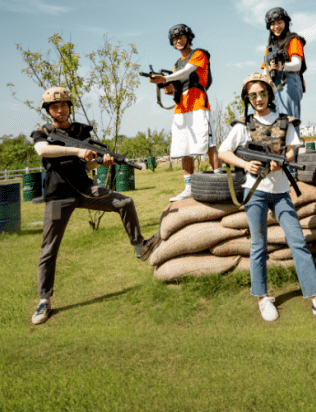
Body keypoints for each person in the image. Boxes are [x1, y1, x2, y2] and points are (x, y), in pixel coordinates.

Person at [217, 73, 316, 322]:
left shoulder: (284, 121)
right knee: (259, 245)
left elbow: (292, 149)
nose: (259, 98)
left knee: (297, 241)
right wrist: (245, 165)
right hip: (255, 190)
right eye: (253, 95)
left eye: (263, 93)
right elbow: (223, 152)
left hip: (280, 191)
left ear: (270, 93)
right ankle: (262, 297)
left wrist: (284, 162)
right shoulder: (242, 124)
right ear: (247, 98)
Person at [30, 87, 151, 325]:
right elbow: (42, 150)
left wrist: (99, 161)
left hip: (84, 190)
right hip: (57, 196)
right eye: (54, 107)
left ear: (69, 107)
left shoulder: (82, 130)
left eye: (64, 105)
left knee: (124, 202)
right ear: (48, 111)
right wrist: (77, 150)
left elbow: (86, 167)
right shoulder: (42, 131)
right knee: (49, 249)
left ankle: (140, 247)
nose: (60, 110)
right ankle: (44, 300)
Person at [148, 24, 220, 201]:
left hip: (198, 103)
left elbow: (187, 72)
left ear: (188, 37)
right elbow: (180, 84)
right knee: (184, 148)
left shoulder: (198, 54)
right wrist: (169, 89)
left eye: (181, 37)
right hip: (182, 106)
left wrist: (166, 78)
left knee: (208, 142)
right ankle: (189, 187)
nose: (178, 41)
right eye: (174, 39)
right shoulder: (176, 64)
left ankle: (219, 179)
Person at [261, 7, 306, 126]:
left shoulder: (293, 40)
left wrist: (280, 67)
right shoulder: (269, 47)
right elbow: (265, 70)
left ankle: (293, 145)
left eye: (279, 22)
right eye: (273, 24)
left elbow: (297, 65)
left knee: (289, 120)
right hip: (273, 83)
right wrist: (270, 69)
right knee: (273, 122)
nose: (276, 27)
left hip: (290, 81)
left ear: (286, 22)